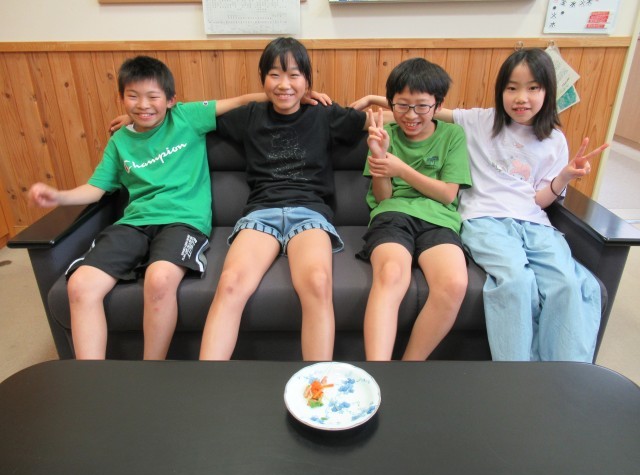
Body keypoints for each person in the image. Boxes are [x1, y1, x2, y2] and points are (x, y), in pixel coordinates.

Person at [28, 55, 280, 360]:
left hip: (184, 221)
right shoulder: (120, 141)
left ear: (171, 100)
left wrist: (290, 94)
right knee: (80, 285)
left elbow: (241, 101)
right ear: (121, 98)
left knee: (159, 279)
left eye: (153, 97)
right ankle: (90, 377)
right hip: (134, 223)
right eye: (133, 96)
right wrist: (58, 196)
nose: (143, 105)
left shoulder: (187, 117)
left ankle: (151, 368)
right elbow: (96, 189)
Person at [198, 37, 382, 361]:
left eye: (294, 75)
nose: (284, 84)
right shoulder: (249, 115)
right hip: (261, 213)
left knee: (318, 282)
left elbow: (397, 118)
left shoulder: (325, 115)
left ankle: (317, 383)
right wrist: (140, 118)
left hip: (310, 213)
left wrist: (371, 100)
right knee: (229, 283)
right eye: (275, 75)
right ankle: (206, 380)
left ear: (308, 81)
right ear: (263, 79)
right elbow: (186, 118)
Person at [435, 48, 607, 361]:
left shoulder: (554, 140)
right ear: (501, 90)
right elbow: (421, 111)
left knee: (569, 284)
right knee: (516, 281)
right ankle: (518, 374)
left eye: (533, 88)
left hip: (534, 222)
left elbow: (540, 199)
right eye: (512, 88)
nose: (521, 98)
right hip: (484, 219)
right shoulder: (480, 120)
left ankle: (562, 375)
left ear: (547, 92)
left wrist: (565, 176)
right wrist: (370, 103)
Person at [354, 58, 471, 360]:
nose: (410, 115)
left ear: (438, 105)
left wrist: (401, 169)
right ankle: (378, 370)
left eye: (421, 106)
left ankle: (408, 368)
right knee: (391, 274)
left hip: (439, 220)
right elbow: (383, 198)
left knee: (454, 284)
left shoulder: (452, 135)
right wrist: (379, 158)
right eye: (402, 106)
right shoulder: (385, 134)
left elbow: (447, 194)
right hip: (392, 215)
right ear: (391, 103)